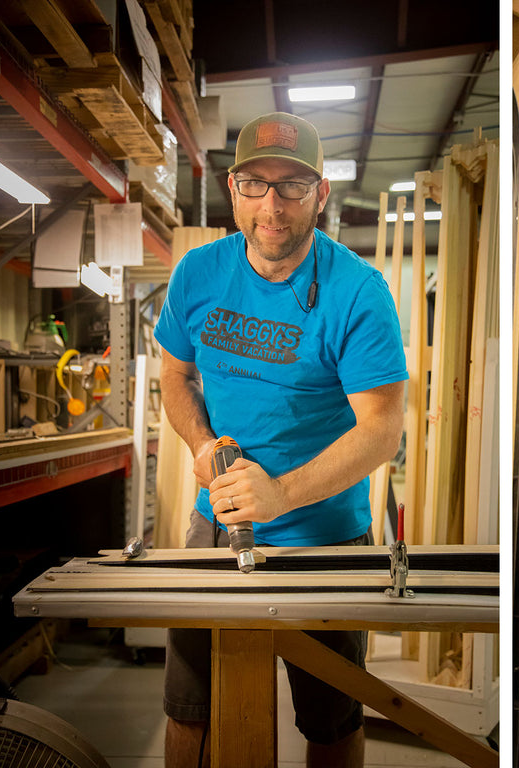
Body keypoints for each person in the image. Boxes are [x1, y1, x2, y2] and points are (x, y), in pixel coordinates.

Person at [154, 111, 407, 768]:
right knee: (190, 712)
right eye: (256, 184)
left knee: (330, 723)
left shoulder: (357, 291)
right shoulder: (196, 275)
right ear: (232, 189)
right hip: (217, 527)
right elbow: (174, 377)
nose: (273, 205)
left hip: (326, 536)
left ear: (321, 193)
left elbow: (382, 431)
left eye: (293, 185)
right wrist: (202, 446)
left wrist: (281, 494)